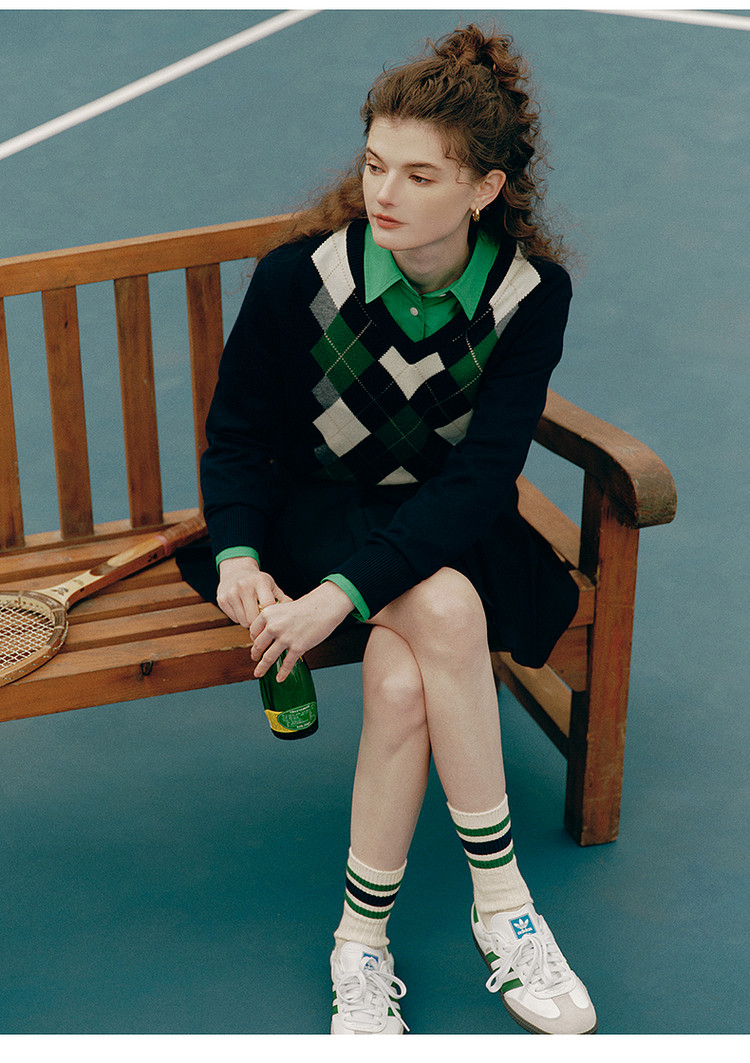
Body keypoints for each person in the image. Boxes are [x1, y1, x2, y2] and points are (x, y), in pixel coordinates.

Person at [184, 24, 597, 1035]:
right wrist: (237, 552)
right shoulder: (299, 278)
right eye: (376, 163)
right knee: (444, 610)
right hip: (316, 513)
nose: (385, 191)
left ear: (484, 188)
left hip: (448, 519)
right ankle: (503, 908)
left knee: (406, 674)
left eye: (420, 174)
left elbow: (482, 479)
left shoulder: (529, 296)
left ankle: (358, 943)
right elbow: (238, 438)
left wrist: (340, 600)